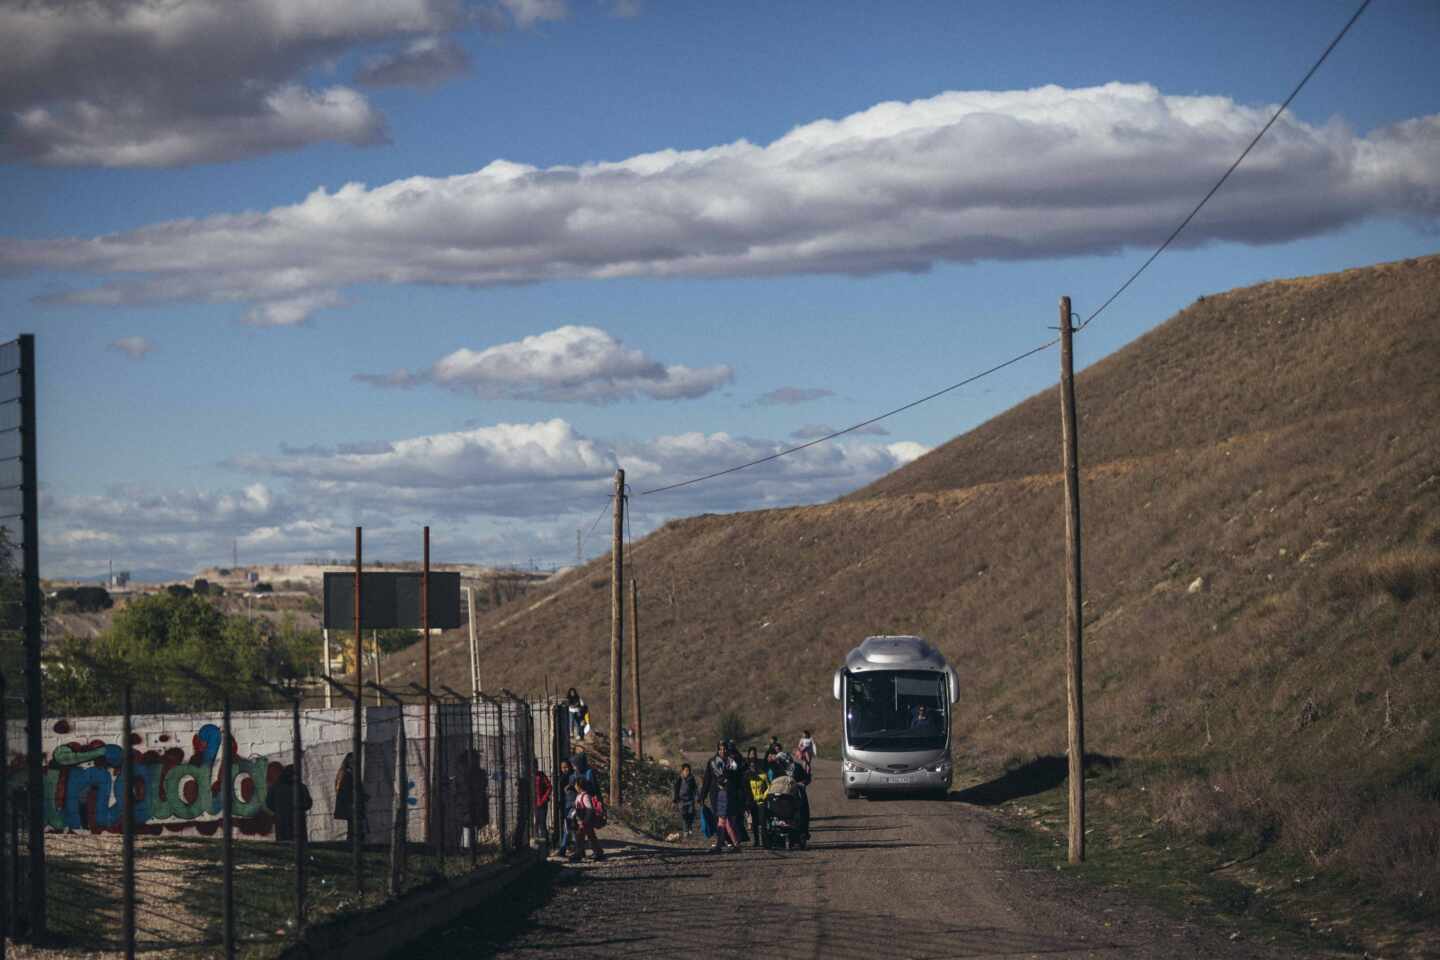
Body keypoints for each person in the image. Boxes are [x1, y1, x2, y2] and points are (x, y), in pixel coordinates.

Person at [700, 740, 743, 854]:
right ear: (717, 750)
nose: (722, 751)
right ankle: (733, 844)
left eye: (724, 749)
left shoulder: (732, 762)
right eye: (720, 749)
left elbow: (738, 778)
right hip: (717, 794)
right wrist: (702, 795)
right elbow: (707, 780)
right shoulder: (712, 762)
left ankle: (722, 845)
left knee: (724, 820)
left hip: (729, 794)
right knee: (724, 820)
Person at [266, 764, 312, 843]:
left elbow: (269, 803)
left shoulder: (275, 787)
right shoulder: (301, 786)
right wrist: (299, 807)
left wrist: (279, 810)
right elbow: (308, 803)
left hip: (283, 819)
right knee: (298, 844)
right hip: (296, 819)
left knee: (284, 844)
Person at [570, 777, 606, 861]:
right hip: (582, 820)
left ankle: (578, 854)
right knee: (590, 837)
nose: (575, 786)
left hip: (585, 821)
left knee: (580, 837)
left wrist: (585, 821)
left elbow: (589, 809)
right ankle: (598, 852)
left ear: (579, 786)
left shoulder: (585, 796)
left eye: (575, 784)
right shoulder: (580, 795)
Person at [333, 753, 367, 842]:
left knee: (356, 828)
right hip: (351, 805)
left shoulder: (350, 773)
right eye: (351, 761)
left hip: (354, 804)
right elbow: (344, 792)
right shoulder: (346, 774)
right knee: (355, 829)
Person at [744, 758, 768, 848]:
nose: (753, 767)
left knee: (762, 822)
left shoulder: (763, 775)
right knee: (754, 823)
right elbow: (746, 789)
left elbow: (768, 787)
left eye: (754, 765)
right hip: (752, 802)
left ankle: (765, 842)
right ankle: (756, 841)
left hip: (761, 801)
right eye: (751, 765)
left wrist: (763, 796)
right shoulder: (747, 776)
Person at [555, 759, 576, 858]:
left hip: (572, 805)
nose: (565, 769)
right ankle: (570, 848)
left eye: (566, 767)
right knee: (569, 827)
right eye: (563, 768)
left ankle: (563, 848)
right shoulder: (561, 777)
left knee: (570, 827)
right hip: (565, 805)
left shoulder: (573, 777)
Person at [672, 762, 699, 837]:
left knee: (690, 814)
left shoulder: (692, 778)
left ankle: (690, 828)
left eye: (688, 770)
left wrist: (698, 797)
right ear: (682, 771)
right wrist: (675, 800)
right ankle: (685, 831)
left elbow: (695, 788)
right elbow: (676, 789)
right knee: (684, 816)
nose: (687, 772)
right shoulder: (679, 779)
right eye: (685, 770)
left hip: (690, 800)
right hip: (681, 800)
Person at [533, 759, 553, 849]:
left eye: (535, 765)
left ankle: (545, 845)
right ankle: (536, 842)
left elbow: (549, 787)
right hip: (532, 804)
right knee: (535, 824)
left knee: (542, 823)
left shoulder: (540, 775)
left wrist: (543, 799)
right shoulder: (529, 775)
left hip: (541, 803)